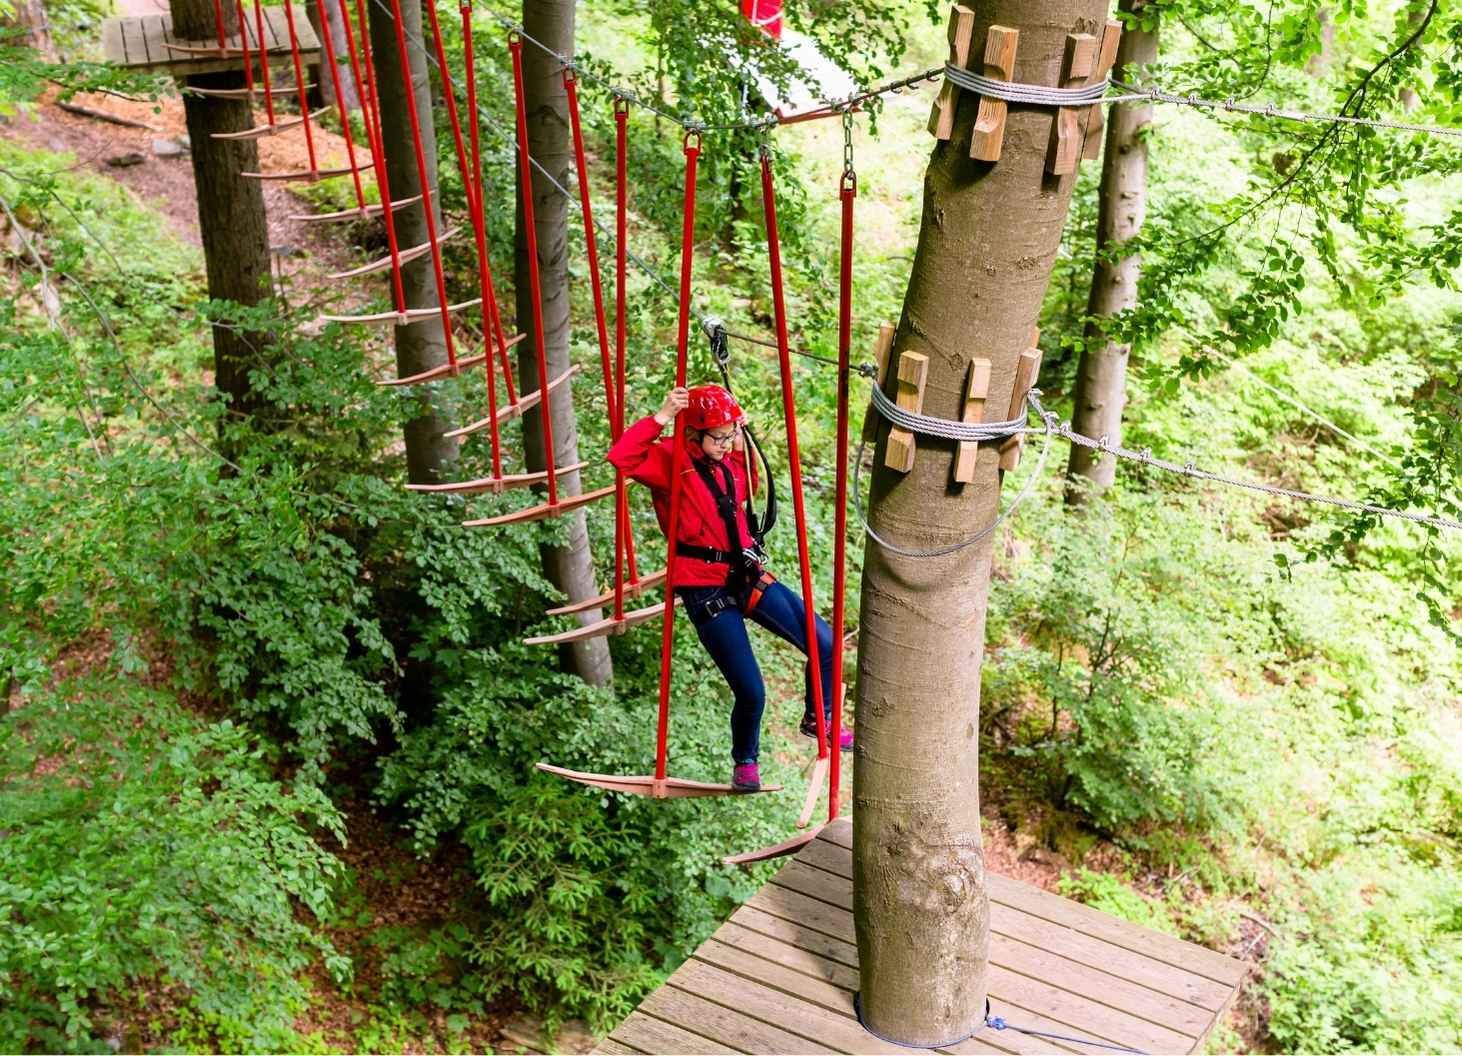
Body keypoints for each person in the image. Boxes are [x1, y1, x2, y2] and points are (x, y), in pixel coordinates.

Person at [608, 384, 852, 792]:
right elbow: (622, 457)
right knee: (752, 691)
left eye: (729, 435)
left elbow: (748, 477)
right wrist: (663, 415)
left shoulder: (730, 459)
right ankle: (746, 762)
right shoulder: (670, 460)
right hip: (704, 588)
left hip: (745, 576)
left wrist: (739, 431)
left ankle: (819, 719)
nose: (726, 444)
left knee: (824, 642)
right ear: (694, 434)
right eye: (717, 437)